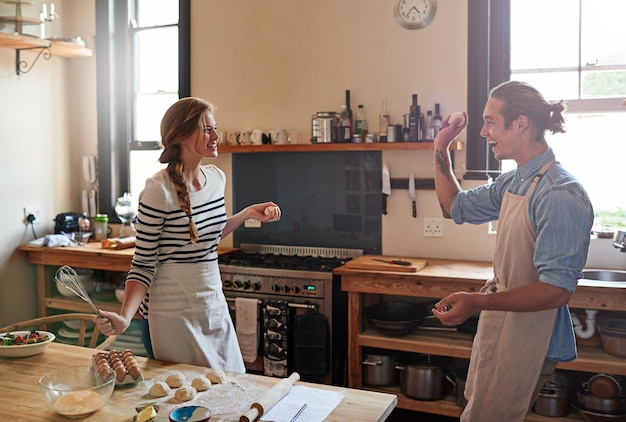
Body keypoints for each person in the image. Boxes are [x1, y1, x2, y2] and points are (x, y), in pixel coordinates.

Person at [432, 81, 594, 421]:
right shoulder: (517, 180)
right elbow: (454, 207)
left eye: (490, 121)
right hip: (503, 326)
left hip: (532, 338)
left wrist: (478, 301)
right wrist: (441, 146)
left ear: (520, 123)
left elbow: (555, 292)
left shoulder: (559, 194)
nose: (482, 131)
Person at [95, 97, 281, 373]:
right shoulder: (158, 191)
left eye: (214, 128)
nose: (216, 136)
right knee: (182, 400)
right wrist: (125, 317)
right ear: (180, 136)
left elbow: (204, 242)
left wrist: (245, 215)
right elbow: (143, 264)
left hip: (212, 306)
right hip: (172, 317)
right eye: (207, 129)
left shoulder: (217, 179)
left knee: (230, 390)